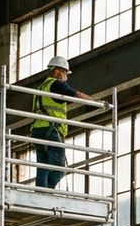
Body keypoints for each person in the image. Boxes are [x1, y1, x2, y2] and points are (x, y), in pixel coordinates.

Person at [32, 56, 98, 189]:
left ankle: (40, 193)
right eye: (65, 73)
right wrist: (98, 102)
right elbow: (77, 95)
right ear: (57, 71)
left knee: (43, 168)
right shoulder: (56, 84)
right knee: (59, 170)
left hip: (38, 131)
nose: (66, 77)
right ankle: (47, 192)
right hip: (51, 131)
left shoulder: (41, 87)